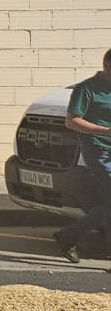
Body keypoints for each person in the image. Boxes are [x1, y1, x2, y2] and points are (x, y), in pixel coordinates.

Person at [54, 48, 111, 263]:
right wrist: (105, 131)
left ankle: (68, 236)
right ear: (107, 66)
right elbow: (72, 121)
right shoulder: (86, 89)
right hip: (98, 149)